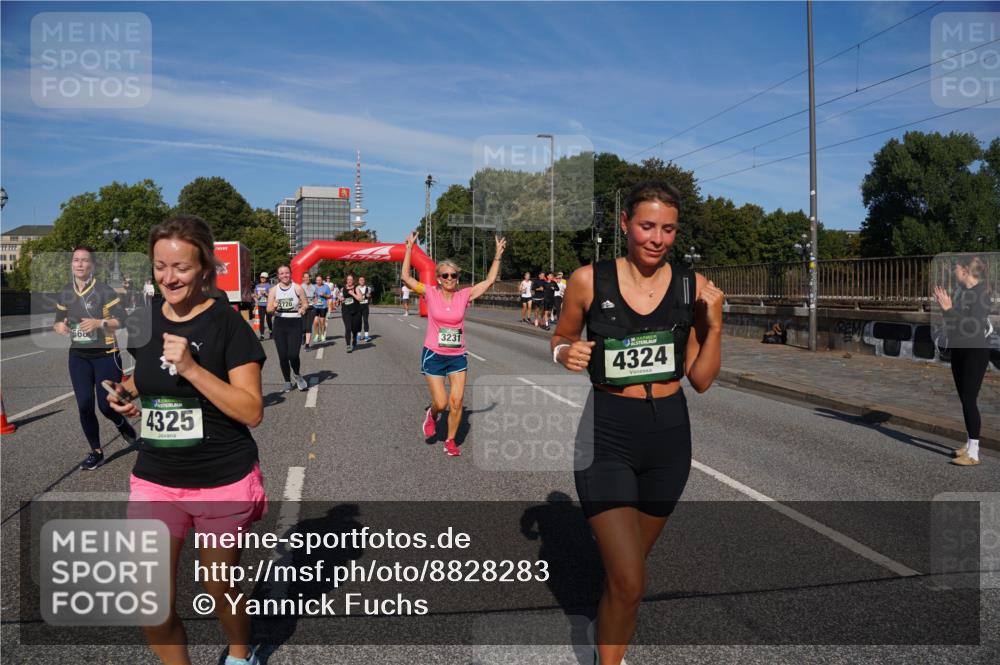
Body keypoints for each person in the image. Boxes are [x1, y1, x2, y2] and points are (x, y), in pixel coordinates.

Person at [551, 180, 723, 665]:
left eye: (668, 229)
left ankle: (602, 632)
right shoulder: (588, 280)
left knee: (626, 576)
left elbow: (701, 379)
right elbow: (561, 335)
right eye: (647, 226)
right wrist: (565, 352)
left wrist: (716, 324)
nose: (657, 239)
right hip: (607, 434)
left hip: (669, 441)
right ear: (625, 223)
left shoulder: (693, 286)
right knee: (630, 580)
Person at [105, 214, 267, 665]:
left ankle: (241, 653)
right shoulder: (145, 319)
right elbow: (146, 376)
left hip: (221, 478)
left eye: (181, 267)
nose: (169, 278)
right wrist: (128, 394)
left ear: (204, 269)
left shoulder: (227, 324)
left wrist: (192, 369)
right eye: (160, 266)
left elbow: (251, 410)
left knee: (219, 586)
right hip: (157, 478)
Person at [401, 229, 506, 456]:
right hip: (434, 354)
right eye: (445, 276)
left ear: (458, 278)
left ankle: (450, 441)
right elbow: (407, 278)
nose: (450, 279)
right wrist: (409, 249)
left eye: (454, 275)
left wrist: (497, 255)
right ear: (438, 278)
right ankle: (432, 414)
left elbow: (489, 281)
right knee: (442, 403)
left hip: (457, 356)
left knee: (457, 402)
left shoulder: (464, 295)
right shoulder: (430, 292)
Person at [53, 246, 138, 470]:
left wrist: (99, 323)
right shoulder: (65, 291)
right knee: (84, 405)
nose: (79, 264)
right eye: (76, 260)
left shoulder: (104, 290)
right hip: (79, 357)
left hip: (106, 355)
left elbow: (122, 320)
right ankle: (96, 452)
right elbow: (58, 319)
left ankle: (121, 422)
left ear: (92, 265)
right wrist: (59, 326)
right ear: (71, 264)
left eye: (84, 260)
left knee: (106, 406)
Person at [934, 255, 992, 466]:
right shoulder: (962, 292)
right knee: (964, 399)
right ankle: (969, 445)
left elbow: (972, 325)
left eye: (956, 268)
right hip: (960, 349)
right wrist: (945, 308)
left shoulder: (981, 294)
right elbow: (955, 321)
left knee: (969, 399)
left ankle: (974, 453)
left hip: (974, 352)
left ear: (966, 270)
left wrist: (949, 309)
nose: (954, 272)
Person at [267, 265, 310, 392]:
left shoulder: (297, 288)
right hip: (280, 323)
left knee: (293, 354)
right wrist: (273, 307)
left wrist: (303, 308)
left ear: (290, 274)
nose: (284, 275)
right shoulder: (273, 290)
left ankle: (297, 375)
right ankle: (287, 381)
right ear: (278, 276)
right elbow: (269, 309)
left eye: (287, 273)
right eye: (281, 273)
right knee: (283, 356)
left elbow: (306, 303)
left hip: (295, 322)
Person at [338, 274, 363, 352]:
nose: (349, 281)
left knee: (355, 328)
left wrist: (353, 294)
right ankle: (348, 345)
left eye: (351, 280)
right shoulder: (342, 289)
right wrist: (340, 298)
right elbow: (339, 296)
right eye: (348, 279)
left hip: (356, 311)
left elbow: (360, 299)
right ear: (346, 280)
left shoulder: (357, 288)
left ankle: (354, 337)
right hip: (346, 311)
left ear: (353, 281)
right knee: (348, 328)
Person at [311, 275, 332, 344]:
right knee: (315, 322)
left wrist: (324, 295)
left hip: (323, 306)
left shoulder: (326, 287)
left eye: (319, 280)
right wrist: (313, 298)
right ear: (315, 280)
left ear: (322, 280)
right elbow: (310, 295)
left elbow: (330, 296)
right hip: (315, 306)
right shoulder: (313, 287)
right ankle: (316, 335)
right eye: (317, 280)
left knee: (322, 322)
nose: (318, 281)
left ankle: (322, 335)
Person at [254, 272, 272, 341]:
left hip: (268, 305)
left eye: (264, 278)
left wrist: (265, 294)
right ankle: (262, 335)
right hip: (260, 305)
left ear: (266, 278)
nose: (262, 279)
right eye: (261, 277)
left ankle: (271, 331)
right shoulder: (257, 286)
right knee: (261, 320)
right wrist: (257, 297)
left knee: (268, 319)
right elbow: (255, 295)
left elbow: (271, 296)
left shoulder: (269, 286)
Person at [300, 271, 316, 350]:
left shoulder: (314, 287)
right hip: (303, 308)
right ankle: (303, 334)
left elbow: (316, 297)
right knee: (303, 327)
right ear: (303, 278)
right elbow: (297, 297)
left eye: (308, 277)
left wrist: (315, 301)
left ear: (310, 278)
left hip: (311, 308)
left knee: (308, 326)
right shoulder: (300, 287)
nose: (306, 279)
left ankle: (307, 344)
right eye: (305, 277)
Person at [358, 275, 373, 342]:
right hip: (358, 306)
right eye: (360, 280)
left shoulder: (368, 288)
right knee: (358, 321)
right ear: (359, 281)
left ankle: (366, 336)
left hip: (365, 306)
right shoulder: (357, 288)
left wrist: (368, 295)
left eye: (363, 280)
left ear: (364, 281)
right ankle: (358, 336)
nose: (362, 281)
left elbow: (369, 295)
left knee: (365, 320)